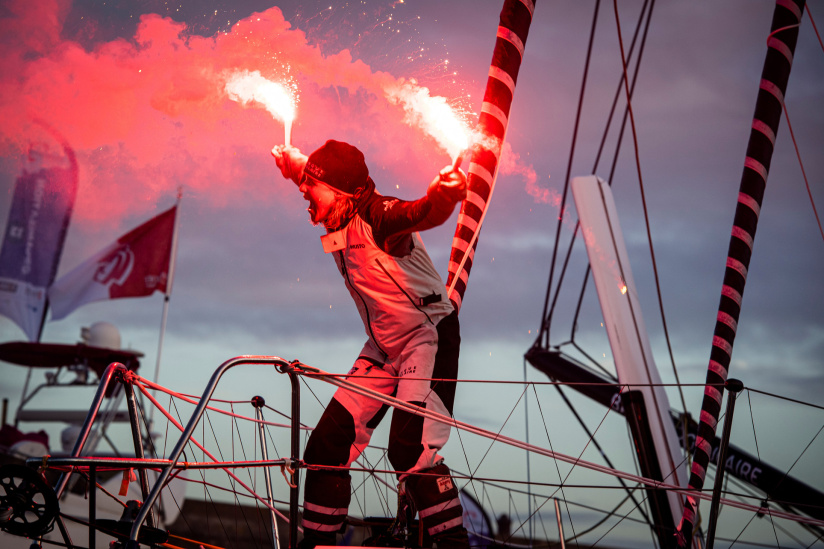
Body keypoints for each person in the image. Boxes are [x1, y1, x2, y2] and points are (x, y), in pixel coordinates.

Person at [272, 139, 469, 548]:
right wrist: (292, 166)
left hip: (427, 339)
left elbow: (424, 212)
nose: (306, 193)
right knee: (326, 446)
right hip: (383, 345)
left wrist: (446, 193)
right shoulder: (337, 204)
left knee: (409, 453)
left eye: (312, 187)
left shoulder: (379, 216)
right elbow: (311, 174)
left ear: (342, 193)